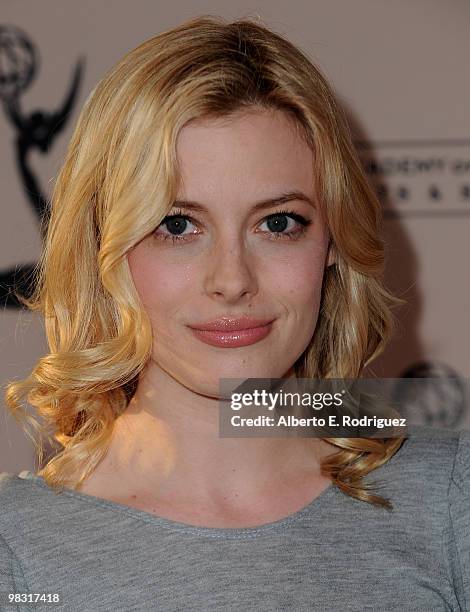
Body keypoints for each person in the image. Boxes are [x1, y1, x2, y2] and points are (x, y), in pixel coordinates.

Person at [1, 14, 468, 612]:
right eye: (177, 225)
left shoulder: (451, 504)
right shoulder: (14, 547)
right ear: (101, 247)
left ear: (331, 244)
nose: (232, 281)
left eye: (277, 224)